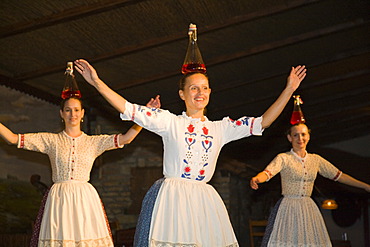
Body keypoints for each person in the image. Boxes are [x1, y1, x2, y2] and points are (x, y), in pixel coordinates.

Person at [74, 58, 306, 247]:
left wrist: (288, 90)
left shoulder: (221, 128)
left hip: (204, 201)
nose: (200, 92)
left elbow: (262, 122)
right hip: (173, 199)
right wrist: (96, 82)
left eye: (204, 88)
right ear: (182, 94)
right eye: (193, 88)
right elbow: (128, 108)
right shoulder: (169, 121)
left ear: (210, 92)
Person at [0, 96, 160, 247]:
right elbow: (13, 138)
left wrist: (143, 114)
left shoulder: (93, 142)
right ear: (61, 113)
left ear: (82, 113)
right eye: (68, 110)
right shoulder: (51, 140)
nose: (72, 114)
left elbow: (126, 138)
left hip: (84, 199)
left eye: (76, 110)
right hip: (59, 199)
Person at [250, 123, 370, 247]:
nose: (300, 138)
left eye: (303, 134)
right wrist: (257, 178)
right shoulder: (284, 158)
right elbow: (268, 172)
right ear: (289, 138)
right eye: (296, 135)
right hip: (289, 208)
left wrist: (364, 186)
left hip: (308, 208)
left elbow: (340, 176)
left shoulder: (316, 160)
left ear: (308, 136)